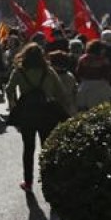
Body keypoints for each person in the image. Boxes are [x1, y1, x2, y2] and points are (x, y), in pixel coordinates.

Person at [4, 43, 71, 191]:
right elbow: (61, 92)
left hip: (27, 113)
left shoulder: (19, 71)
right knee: (47, 147)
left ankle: (28, 183)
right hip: (47, 113)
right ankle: (49, 180)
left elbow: (8, 89)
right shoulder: (49, 71)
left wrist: (14, 104)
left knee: (28, 149)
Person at [75, 40, 111, 111]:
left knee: (84, 108)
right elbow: (107, 74)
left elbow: (79, 72)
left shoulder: (83, 59)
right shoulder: (103, 60)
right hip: (101, 85)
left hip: (85, 85)